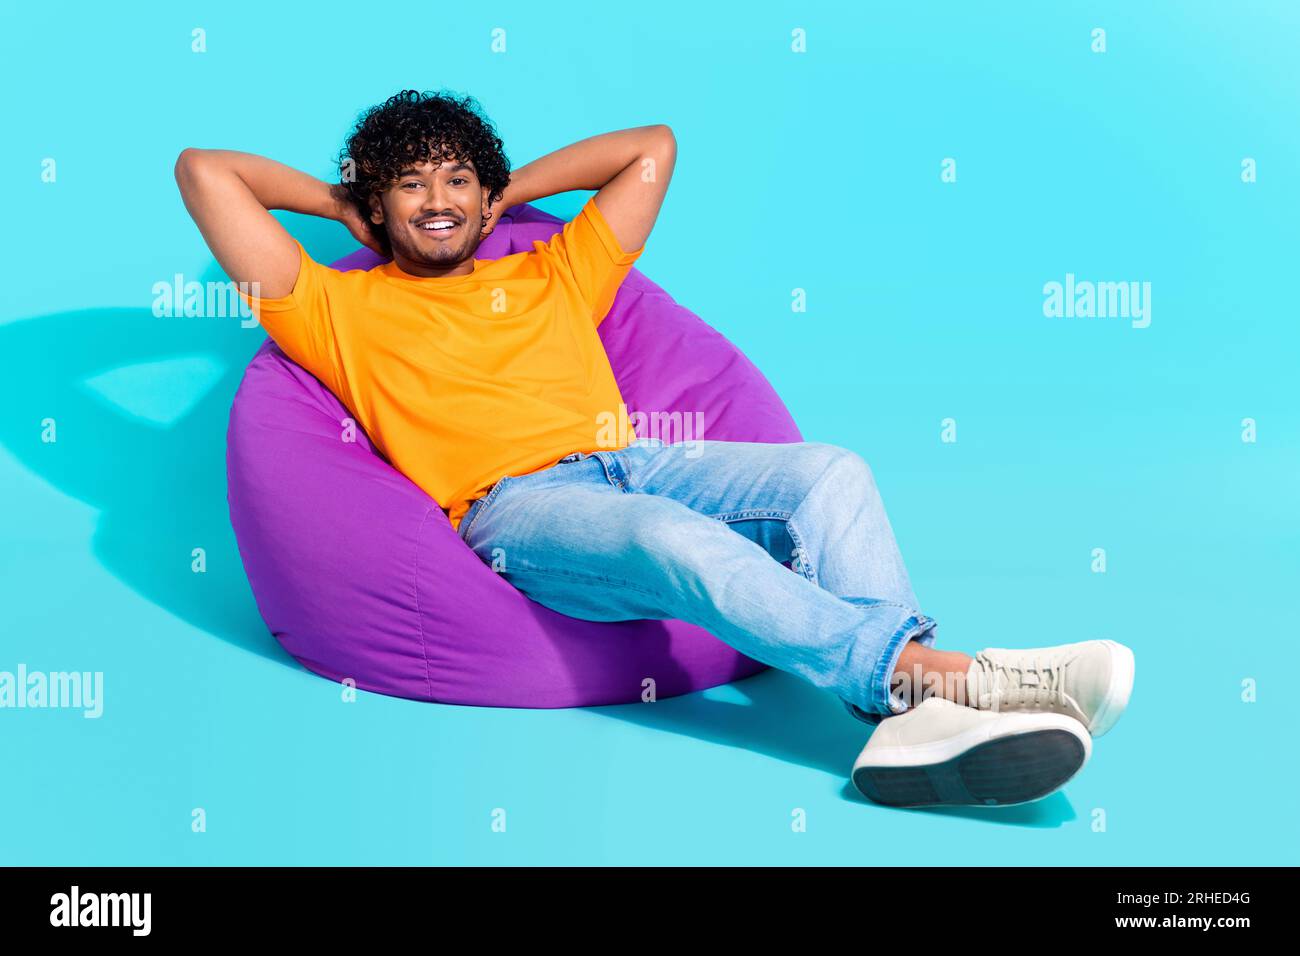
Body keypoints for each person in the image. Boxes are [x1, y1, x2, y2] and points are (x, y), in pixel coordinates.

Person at [175, 89, 1135, 809]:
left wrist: (508, 191)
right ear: (378, 206)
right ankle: (957, 677)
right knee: (663, 538)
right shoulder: (335, 308)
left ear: (487, 196)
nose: (439, 198)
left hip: (635, 457)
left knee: (833, 472)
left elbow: (650, 148)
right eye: (412, 183)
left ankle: (903, 718)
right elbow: (203, 171)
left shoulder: (556, 271)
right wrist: (342, 202)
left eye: (458, 179)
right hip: (515, 508)